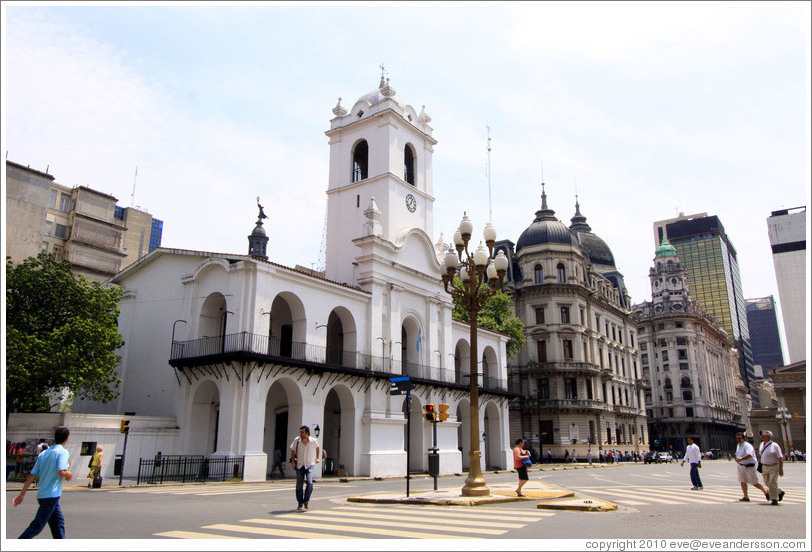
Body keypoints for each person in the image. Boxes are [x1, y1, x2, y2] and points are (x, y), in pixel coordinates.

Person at [13, 426, 73, 539]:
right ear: (67, 438)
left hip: (44, 495)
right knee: (37, 526)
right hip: (51, 495)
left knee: (58, 523)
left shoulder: (43, 454)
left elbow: (32, 476)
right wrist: (68, 474)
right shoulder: (63, 452)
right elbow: (61, 472)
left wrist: (21, 494)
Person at [289, 425, 320, 511]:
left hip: (310, 464)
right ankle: (300, 503)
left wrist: (317, 457)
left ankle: (306, 500)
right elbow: (292, 450)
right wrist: (293, 462)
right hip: (300, 465)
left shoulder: (313, 441)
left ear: (307, 433)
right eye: (300, 432)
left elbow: (317, 448)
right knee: (299, 485)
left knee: (310, 483)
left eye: (302, 432)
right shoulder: (297, 440)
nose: (301, 434)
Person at [733, 433, 767, 501]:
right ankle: (746, 497)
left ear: (744, 439)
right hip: (741, 466)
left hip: (749, 466)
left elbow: (750, 454)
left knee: (754, 482)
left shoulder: (747, 446)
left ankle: (766, 492)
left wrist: (741, 458)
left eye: (739, 438)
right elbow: (738, 454)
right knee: (742, 481)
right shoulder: (738, 445)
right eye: (737, 438)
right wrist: (737, 459)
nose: (738, 440)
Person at [758, 430, 785, 505]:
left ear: (769, 437)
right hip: (764, 466)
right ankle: (779, 492)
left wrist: (780, 468)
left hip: (773, 466)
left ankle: (774, 499)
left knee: (773, 481)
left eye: (764, 436)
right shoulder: (761, 444)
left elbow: (780, 457)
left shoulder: (775, 445)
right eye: (762, 436)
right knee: (766, 482)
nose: (762, 437)